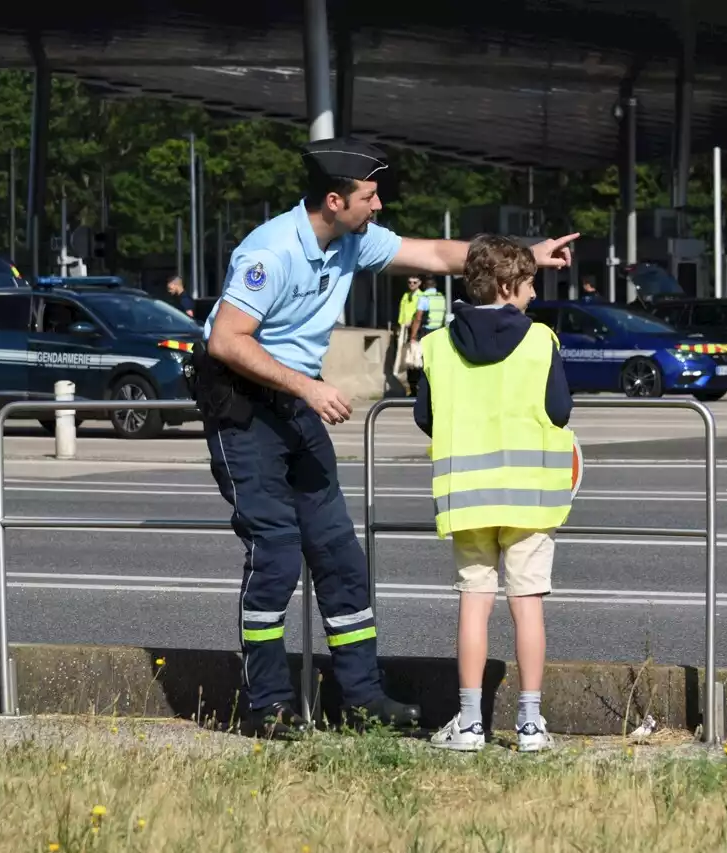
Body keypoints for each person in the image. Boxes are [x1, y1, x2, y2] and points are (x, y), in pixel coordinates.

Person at [199, 136, 577, 738]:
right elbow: (227, 340)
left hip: (295, 404)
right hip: (244, 408)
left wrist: (523, 256)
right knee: (274, 554)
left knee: (341, 558)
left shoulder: (352, 239)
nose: (377, 207)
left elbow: (433, 254)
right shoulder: (270, 251)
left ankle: (363, 700)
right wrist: (308, 388)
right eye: (369, 197)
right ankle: (267, 706)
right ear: (334, 200)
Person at [413, 234, 575, 753]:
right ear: (508, 286)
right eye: (528, 285)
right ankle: (530, 724)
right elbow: (560, 411)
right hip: (530, 497)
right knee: (526, 604)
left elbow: (424, 416)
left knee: (474, 603)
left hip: (467, 498)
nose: (532, 294)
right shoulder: (540, 341)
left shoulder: (438, 343)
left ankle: (469, 722)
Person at [406, 275, 446, 394]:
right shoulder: (441, 297)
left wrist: (413, 336)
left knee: (422, 362)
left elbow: (418, 318)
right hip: (439, 331)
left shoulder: (424, 297)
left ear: (424, 286)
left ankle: (422, 389)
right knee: (435, 361)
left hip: (426, 332)